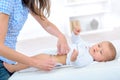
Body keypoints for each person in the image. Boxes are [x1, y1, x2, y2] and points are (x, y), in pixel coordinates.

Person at [0, 0, 70, 80]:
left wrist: (61, 36)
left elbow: (46, 24)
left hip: (8, 60)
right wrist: (35, 63)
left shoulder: (27, 2)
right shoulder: (7, 2)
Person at [4, 28, 116, 73]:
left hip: (58, 59)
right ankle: (17, 64)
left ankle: (14, 68)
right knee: (35, 57)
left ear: (101, 61)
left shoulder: (88, 58)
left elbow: (78, 64)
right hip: (55, 54)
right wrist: (75, 34)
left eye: (101, 52)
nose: (97, 48)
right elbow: (76, 41)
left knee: (35, 60)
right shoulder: (86, 46)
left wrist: (74, 58)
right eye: (99, 45)